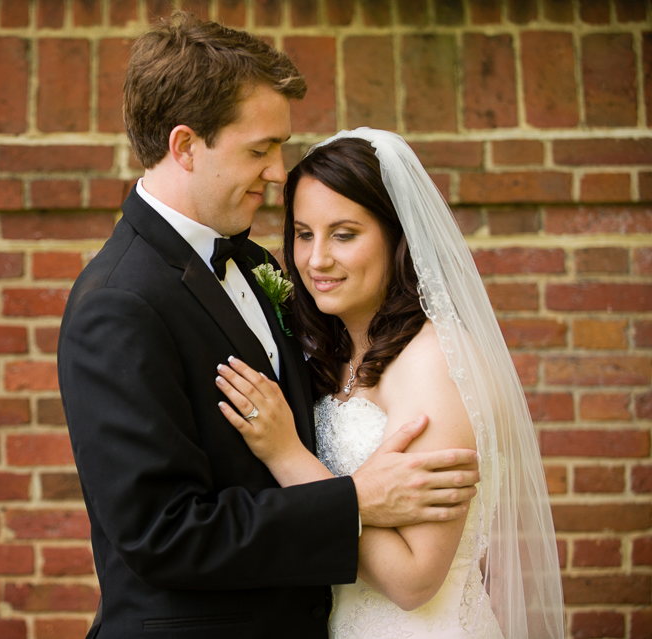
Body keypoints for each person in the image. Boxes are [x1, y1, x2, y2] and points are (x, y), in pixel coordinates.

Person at [57, 15, 480, 639]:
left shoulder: (254, 264)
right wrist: (356, 500)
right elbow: (163, 534)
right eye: (259, 150)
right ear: (185, 146)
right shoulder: (118, 303)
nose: (280, 171)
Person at [216, 128, 565, 638]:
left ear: (398, 236)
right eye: (304, 233)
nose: (316, 261)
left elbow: (414, 578)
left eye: (344, 234)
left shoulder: (435, 362)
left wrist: (286, 455)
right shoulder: (331, 353)